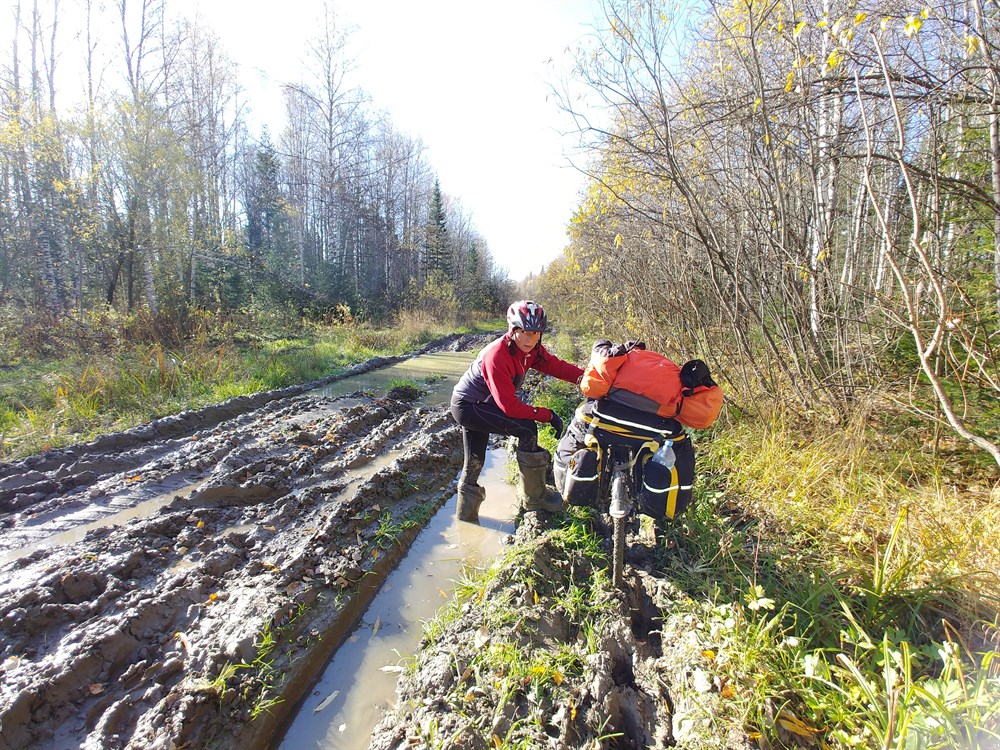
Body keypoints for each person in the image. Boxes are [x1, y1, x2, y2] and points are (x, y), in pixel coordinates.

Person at [450, 300, 584, 522]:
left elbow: (557, 366)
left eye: (535, 333)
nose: (529, 339)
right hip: (469, 406)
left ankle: (465, 519)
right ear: (512, 330)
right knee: (527, 428)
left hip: (482, 404)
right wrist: (547, 415)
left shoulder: (532, 351)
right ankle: (535, 497)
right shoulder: (497, 356)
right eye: (523, 332)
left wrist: (588, 377)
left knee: (475, 459)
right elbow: (509, 407)